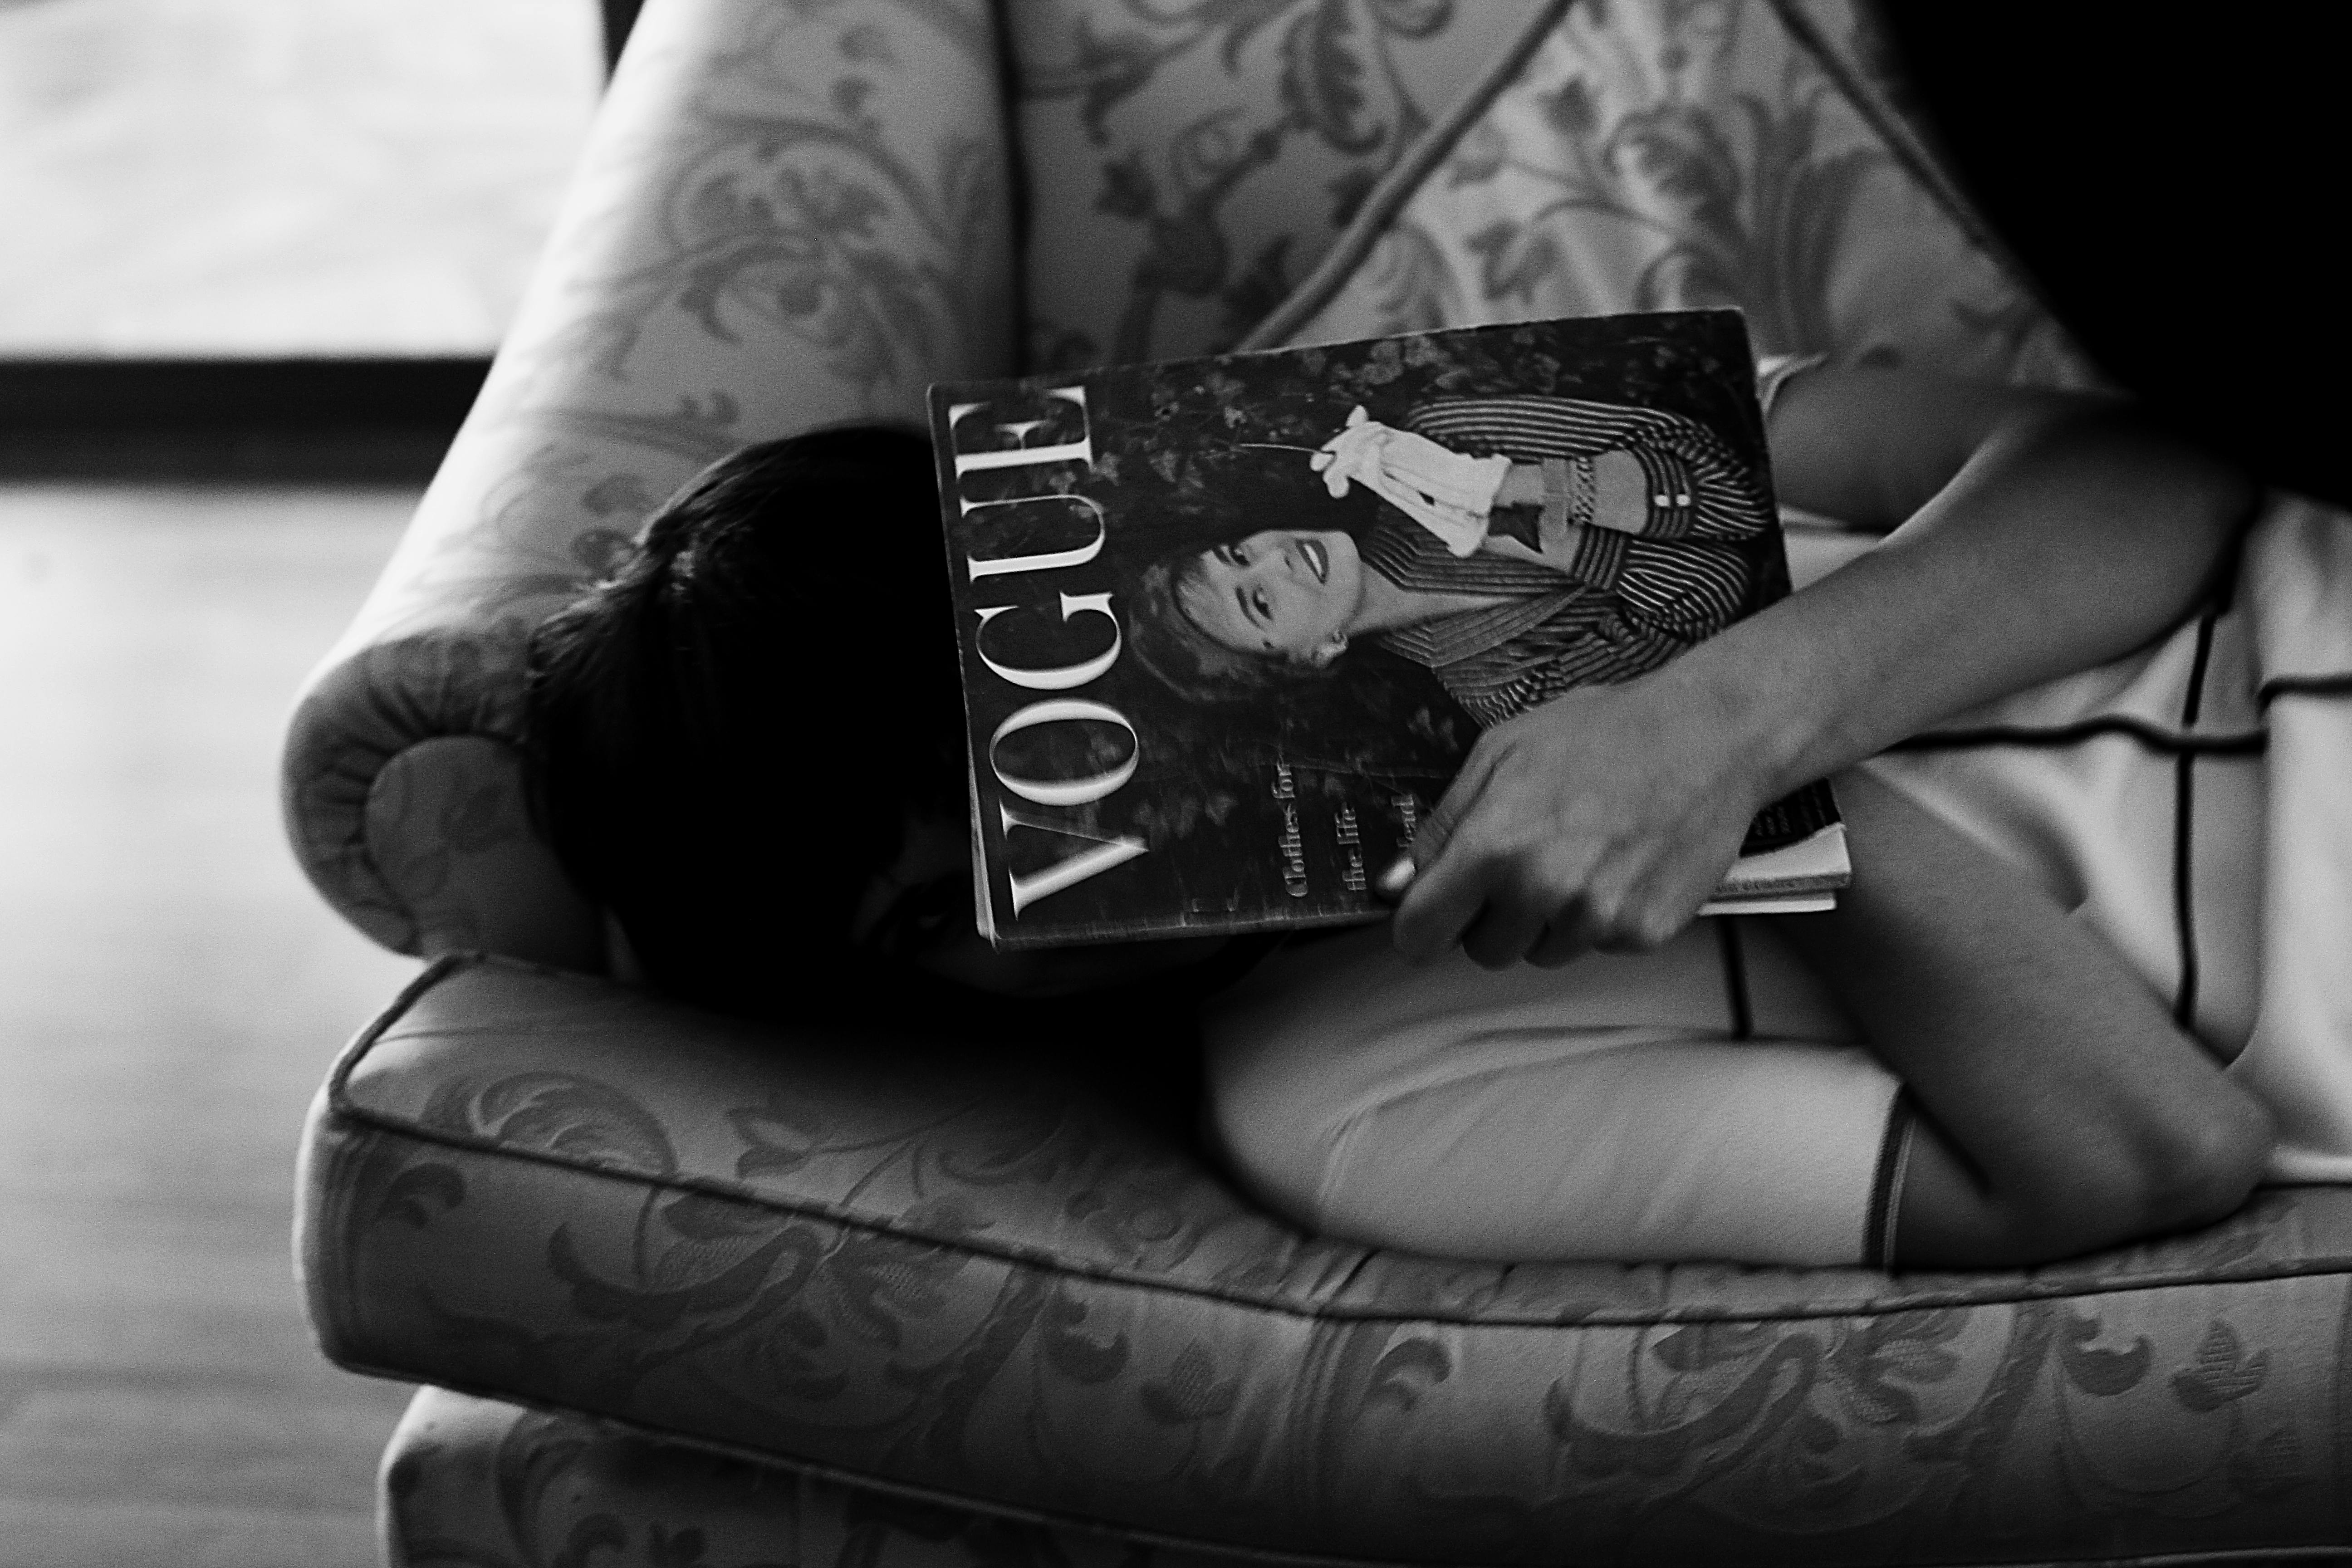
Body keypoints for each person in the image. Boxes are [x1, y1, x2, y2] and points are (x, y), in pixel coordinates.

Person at [523, 361, 2280, 1270]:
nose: (1027, 913)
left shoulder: (1418, 437)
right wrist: (1750, 813)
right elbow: (2152, 1155)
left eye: (1010, 779)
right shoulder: (1356, 1112)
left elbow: (2158, 467)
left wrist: (1714, 716)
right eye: (924, 922)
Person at [1127, 393, 1780, 729]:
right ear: (1311, 656)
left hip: (1782, 457)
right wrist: (1486, 511)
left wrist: (1496, 482)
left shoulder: (1435, 438)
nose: (1276, 558)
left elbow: (1731, 494)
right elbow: (1715, 595)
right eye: (1260, 601)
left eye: (1240, 552)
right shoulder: (1503, 691)